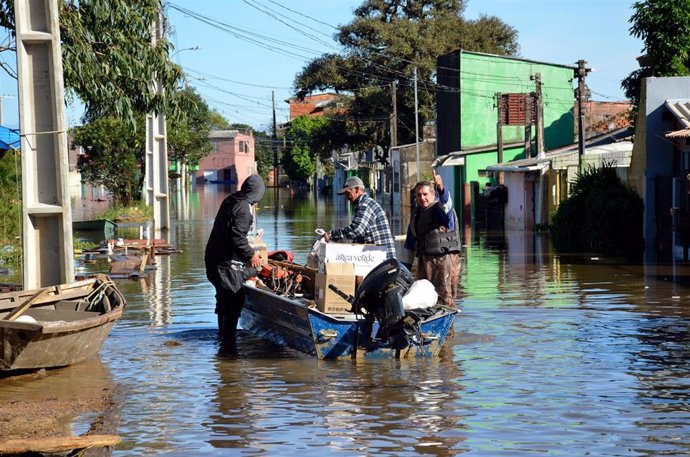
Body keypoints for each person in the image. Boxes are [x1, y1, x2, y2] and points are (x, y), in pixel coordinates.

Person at [205, 174, 265, 342]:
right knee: (234, 299)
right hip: (225, 264)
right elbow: (237, 237)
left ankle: (222, 339)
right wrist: (251, 254)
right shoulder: (243, 209)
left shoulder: (231, 200)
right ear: (258, 193)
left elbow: (230, 234)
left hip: (213, 259)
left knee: (224, 300)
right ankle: (228, 344)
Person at [401, 172, 461, 308]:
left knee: (445, 299)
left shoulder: (439, 210)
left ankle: (448, 328)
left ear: (433, 194)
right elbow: (410, 244)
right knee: (423, 298)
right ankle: (426, 327)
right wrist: (404, 270)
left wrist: (441, 188)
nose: (422, 198)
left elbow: (447, 207)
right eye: (419, 195)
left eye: (425, 194)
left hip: (443, 261)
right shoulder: (416, 214)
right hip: (424, 261)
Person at [324, 176, 396, 259]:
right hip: (377, 257)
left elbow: (356, 230)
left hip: (384, 260)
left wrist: (332, 234)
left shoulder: (365, 205)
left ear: (357, 189)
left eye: (348, 193)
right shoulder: (364, 204)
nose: (346, 197)